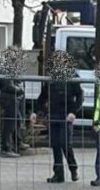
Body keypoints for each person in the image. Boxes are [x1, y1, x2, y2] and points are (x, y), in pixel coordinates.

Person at [32, 51, 82, 183]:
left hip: (66, 115)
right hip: (54, 114)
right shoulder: (51, 78)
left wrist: (73, 112)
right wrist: (35, 111)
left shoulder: (72, 76)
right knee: (55, 144)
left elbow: (80, 96)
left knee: (65, 143)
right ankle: (58, 174)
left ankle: (73, 168)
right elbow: (43, 96)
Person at [0, 47, 26, 158]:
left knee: (17, 120)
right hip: (8, 98)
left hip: (13, 97)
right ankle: (6, 147)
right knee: (9, 124)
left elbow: (17, 80)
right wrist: (19, 89)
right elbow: (8, 85)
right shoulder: (4, 68)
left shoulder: (11, 67)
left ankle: (17, 142)